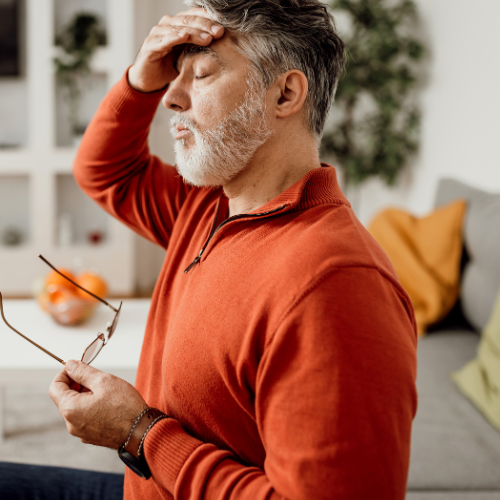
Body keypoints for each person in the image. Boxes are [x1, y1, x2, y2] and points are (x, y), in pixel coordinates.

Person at [0, 1, 418, 499]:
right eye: (173, 77)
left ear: (285, 93)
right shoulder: (207, 205)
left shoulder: (335, 285)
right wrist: (139, 79)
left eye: (200, 75)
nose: (171, 98)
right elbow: (104, 171)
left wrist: (141, 434)